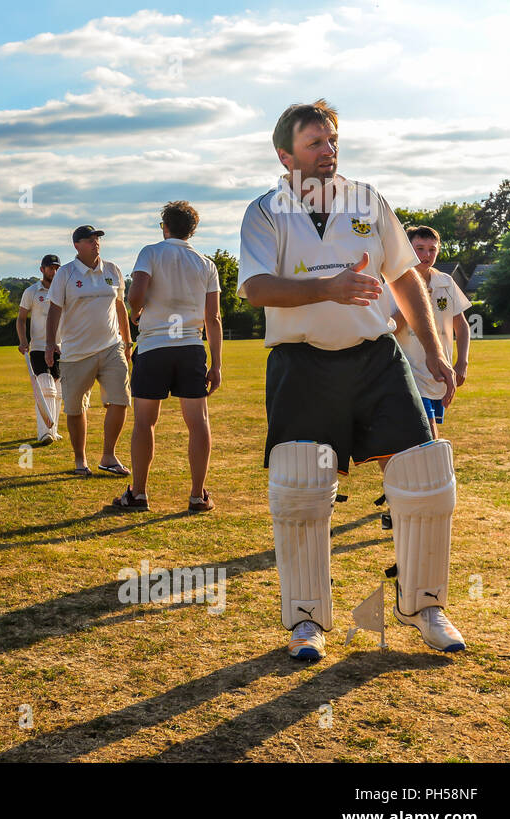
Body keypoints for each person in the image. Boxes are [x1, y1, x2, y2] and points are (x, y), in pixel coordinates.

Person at [238, 98, 463, 661]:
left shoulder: (368, 201)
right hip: (301, 363)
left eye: (332, 140)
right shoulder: (265, 212)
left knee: (423, 471)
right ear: (285, 154)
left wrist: (434, 350)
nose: (327, 151)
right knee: (301, 489)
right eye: (314, 143)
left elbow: (405, 277)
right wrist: (328, 288)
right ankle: (308, 621)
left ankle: (425, 605)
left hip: (376, 358)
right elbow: (256, 289)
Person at [113, 202, 222, 512]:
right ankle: (198, 495)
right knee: (198, 422)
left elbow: (135, 293)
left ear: (165, 227)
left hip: (153, 347)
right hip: (190, 349)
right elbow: (212, 318)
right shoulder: (206, 263)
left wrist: (136, 312)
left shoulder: (151, 252)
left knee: (145, 422)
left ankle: (139, 493)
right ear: (193, 230)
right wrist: (216, 364)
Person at [44, 226, 132, 477]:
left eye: (97, 239)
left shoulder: (113, 270)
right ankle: (80, 460)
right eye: (90, 240)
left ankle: (108, 455)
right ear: (76, 245)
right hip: (76, 352)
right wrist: (50, 345)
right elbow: (54, 310)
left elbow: (120, 306)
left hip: (111, 347)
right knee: (74, 408)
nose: (96, 243)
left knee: (120, 400)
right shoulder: (66, 274)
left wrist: (127, 341)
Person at [381, 226, 471, 441]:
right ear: (407, 250)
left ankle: (422, 471)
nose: (426, 255)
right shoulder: (392, 285)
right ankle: (439, 472)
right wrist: (414, 302)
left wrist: (462, 363)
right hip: (407, 371)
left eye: (432, 249)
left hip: (437, 374)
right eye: (419, 248)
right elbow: (388, 330)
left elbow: (463, 326)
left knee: (423, 435)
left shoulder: (446, 282)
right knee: (428, 434)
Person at [17, 254, 63, 445]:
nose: (54, 271)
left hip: (61, 347)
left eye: (56, 268)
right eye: (50, 268)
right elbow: (21, 319)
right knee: (46, 388)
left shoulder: (63, 290)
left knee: (59, 391)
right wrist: (22, 340)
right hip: (38, 347)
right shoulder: (32, 291)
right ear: (42, 269)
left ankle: (54, 429)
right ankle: (44, 433)